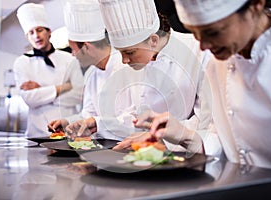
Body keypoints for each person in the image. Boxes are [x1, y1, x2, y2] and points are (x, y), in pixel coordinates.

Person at [136, 0, 271, 171]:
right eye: (195, 34)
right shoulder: (217, 63)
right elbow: (224, 137)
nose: (204, 46)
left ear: (256, 4)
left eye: (213, 32)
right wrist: (186, 136)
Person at [67, 0, 220, 154]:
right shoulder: (136, 63)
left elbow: (207, 122)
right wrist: (98, 124)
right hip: (149, 156)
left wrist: (160, 136)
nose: (124, 61)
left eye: (129, 52)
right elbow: (138, 116)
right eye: (120, 52)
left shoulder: (199, 52)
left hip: (191, 156)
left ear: (153, 40)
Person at [48, 0, 136, 141]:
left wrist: (97, 122)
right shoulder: (92, 75)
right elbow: (88, 114)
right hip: (102, 148)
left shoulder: (128, 66)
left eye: (73, 49)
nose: (72, 55)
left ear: (87, 47)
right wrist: (67, 122)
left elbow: (135, 118)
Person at [13, 3, 84, 137]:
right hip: (36, 134)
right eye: (31, 32)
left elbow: (78, 95)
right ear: (27, 37)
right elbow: (29, 99)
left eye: (39, 30)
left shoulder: (69, 59)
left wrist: (41, 89)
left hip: (68, 130)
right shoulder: (21, 62)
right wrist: (63, 88)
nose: (36, 36)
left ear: (49, 32)